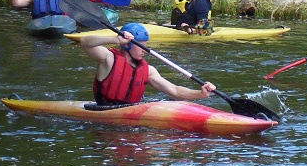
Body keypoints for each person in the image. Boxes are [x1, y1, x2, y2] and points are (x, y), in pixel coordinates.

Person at [78, 22, 217, 105]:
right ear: (127, 45)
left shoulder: (148, 70)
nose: (145, 50)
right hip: (103, 111)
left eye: (146, 45)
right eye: (141, 45)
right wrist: (115, 39)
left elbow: (175, 91)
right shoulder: (109, 59)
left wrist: (201, 93)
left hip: (131, 116)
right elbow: (85, 42)